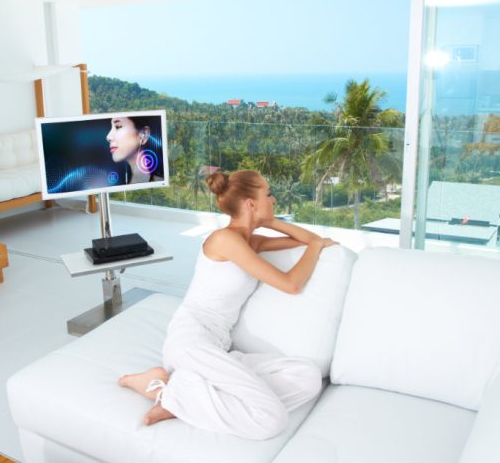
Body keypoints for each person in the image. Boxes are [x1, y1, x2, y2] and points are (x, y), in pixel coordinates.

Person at [118, 169, 337, 440]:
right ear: (250, 203)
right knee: (272, 420)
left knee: (308, 377)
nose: (274, 199)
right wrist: (315, 246)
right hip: (192, 342)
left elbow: (304, 239)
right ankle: (166, 393)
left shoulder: (250, 241)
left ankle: (186, 394)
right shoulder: (225, 240)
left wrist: (267, 220)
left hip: (220, 348)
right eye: (268, 194)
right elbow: (291, 284)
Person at [106, 115, 164, 184]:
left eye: (118, 127)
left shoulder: (160, 181)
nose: (108, 137)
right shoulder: (121, 182)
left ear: (144, 134)